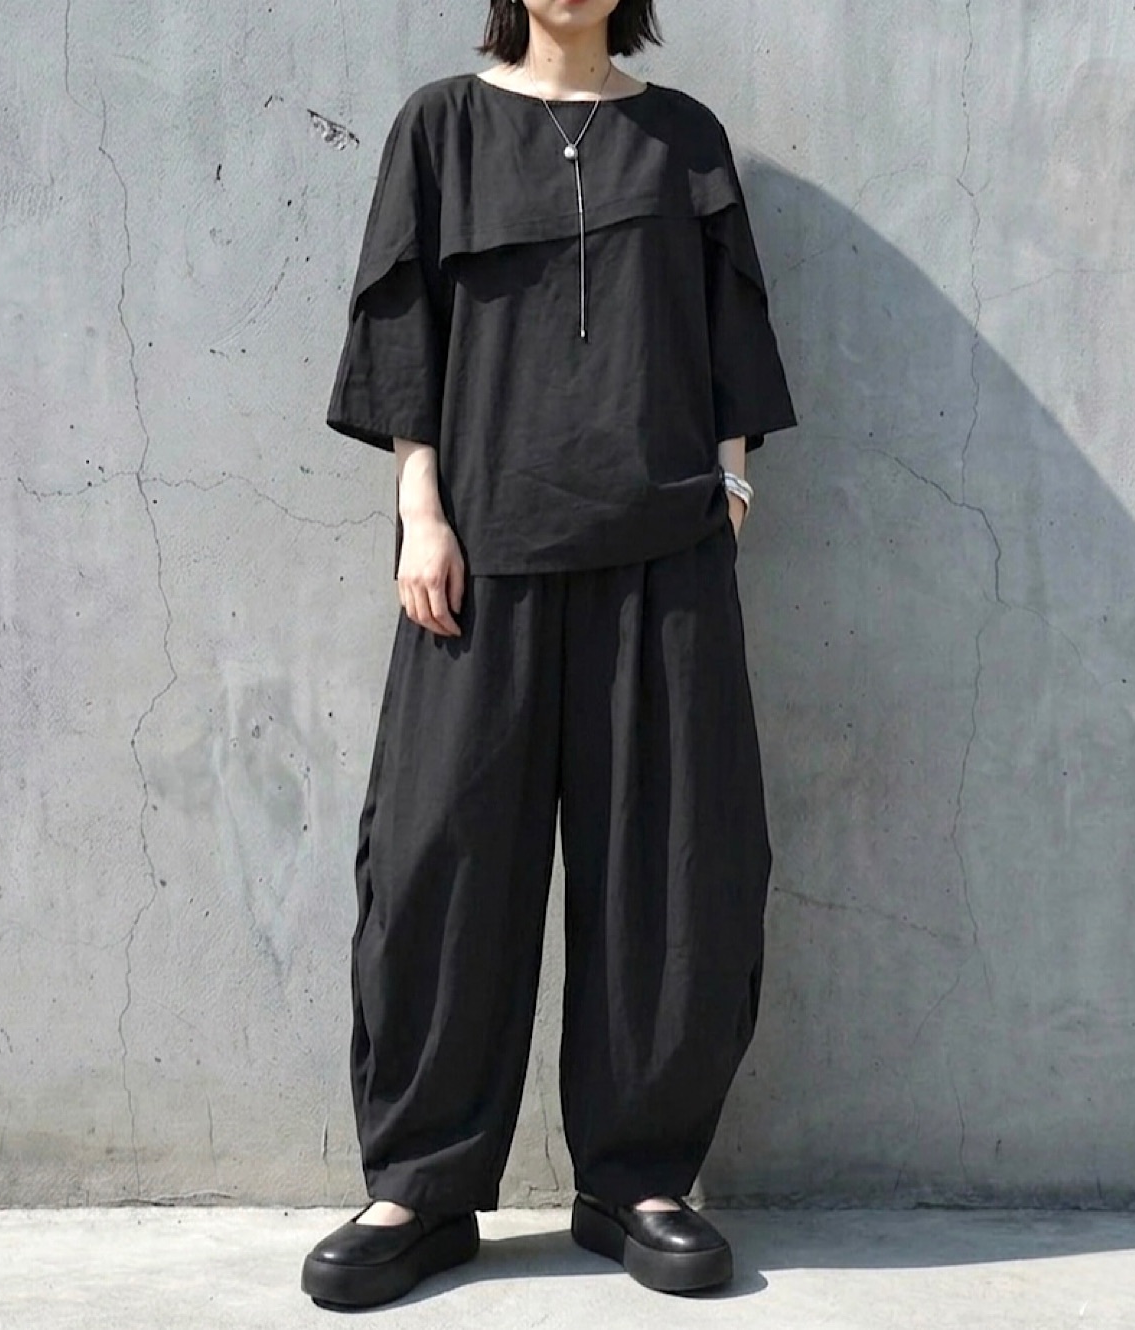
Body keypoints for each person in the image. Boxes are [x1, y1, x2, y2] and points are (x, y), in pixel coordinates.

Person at [301, 0, 797, 1309]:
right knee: (437, 864)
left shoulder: (684, 138)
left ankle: (638, 1181)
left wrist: (732, 488)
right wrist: (419, 511)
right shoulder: (440, 129)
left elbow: (729, 329)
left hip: (665, 554)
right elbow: (405, 330)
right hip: (481, 562)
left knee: (672, 870)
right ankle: (419, 1188)